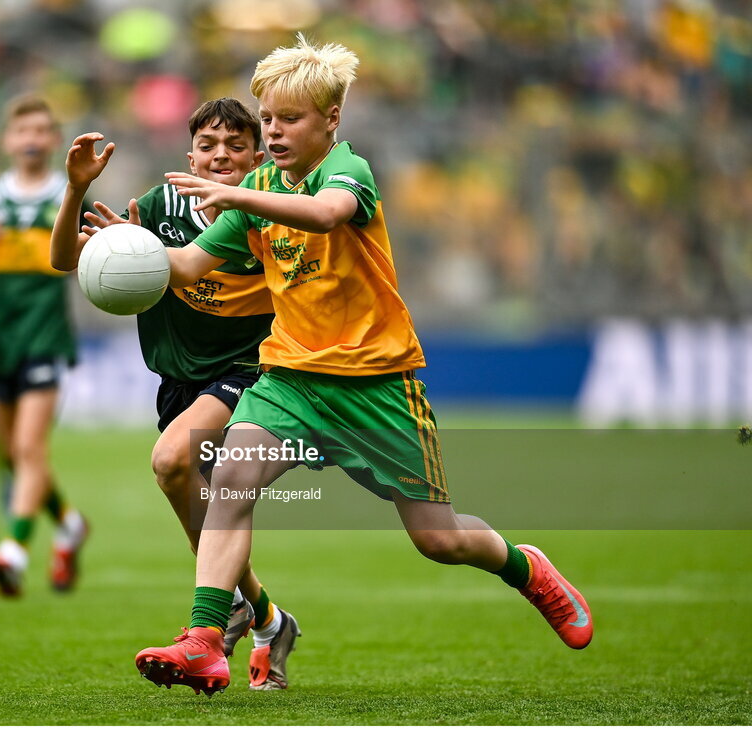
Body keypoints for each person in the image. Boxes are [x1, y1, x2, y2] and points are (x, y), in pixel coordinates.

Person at [133, 35, 594, 696]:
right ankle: (207, 639)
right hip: (290, 381)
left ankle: (528, 568)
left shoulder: (348, 169)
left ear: (330, 121)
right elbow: (186, 264)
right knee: (231, 476)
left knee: (439, 539)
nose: (275, 130)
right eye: (268, 118)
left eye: (289, 119)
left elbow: (325, 214)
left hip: (376, 388)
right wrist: (126, 250)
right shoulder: (259, 187)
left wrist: (237, 199)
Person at [51, 98, 299, 688]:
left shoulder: (268, 213)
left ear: (256, 156)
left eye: (236, 147)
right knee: (202, 503)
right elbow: (64, 260)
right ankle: (263, 616)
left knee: (170, 459)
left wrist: (141, 250)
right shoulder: (158, 208)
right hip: (179, 382)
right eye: (209, 146)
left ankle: (213, 622)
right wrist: (73, 191)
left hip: (253, 372)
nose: (221, 157)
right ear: (189, 156)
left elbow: (189, 267)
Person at [0, 94, 87, 596]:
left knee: (29, 447)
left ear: (54, 139)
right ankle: (70, 524)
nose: (31, 139)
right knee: (12, 454)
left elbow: (88, 259)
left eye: (41, 130)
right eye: (22, 131)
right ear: (8, 141)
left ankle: (12, 552)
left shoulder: (66, 192)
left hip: (44, 334)